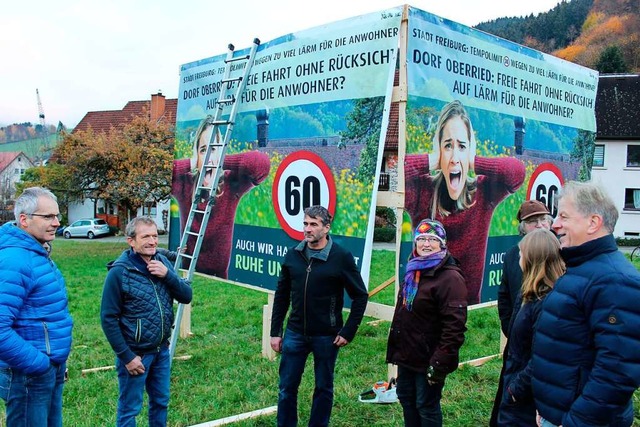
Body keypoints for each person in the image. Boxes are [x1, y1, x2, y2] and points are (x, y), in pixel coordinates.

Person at [531, 181, 640, 427]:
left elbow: (616, 372)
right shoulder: (582, 269)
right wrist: (547, 409)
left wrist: (574, 422)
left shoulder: (615, 281)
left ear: (593, 223)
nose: (555, 224)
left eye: (564, 216)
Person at [405, 100, 526, 304]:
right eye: (448, 146)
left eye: (461, 145)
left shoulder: (482, 193)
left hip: (464, 308)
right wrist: (435, 159)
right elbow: (392, 170)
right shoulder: (422, 191)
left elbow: (516, 173)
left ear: (470, 149)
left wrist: (472, 161)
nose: (454, 157)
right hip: (424, 304)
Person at [269, 205, 369, 427]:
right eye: (305, 223)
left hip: (327, 336)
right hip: (294, 333)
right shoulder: (293, 254)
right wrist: (275, 332)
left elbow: (360, 296)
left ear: (326, 227)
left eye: (313, 224)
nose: (307, 229)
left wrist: (348, 331)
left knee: (323, 388)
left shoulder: (341, 257)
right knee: (286, 388)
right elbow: (282, 295)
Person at [100, 216, 193, 427]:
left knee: (161, 402)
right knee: (129, 409)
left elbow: (186, 296)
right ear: (131, 241)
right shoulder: (119, 272)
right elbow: (108, 318)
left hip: (161, 350)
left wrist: (168, 275)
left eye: (154, 236)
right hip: (136, 355)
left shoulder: (162, 261)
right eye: (145, 237)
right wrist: (127, 357)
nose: (152, 241)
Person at [0, 187, 73, 427]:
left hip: (48, 368)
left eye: (57, 216)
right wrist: (39, 365)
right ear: (24, 220)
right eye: (48, 217)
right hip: (28, 374)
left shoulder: (36, 253)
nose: (56, 223)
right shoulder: (15, 260)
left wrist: (56, 361)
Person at [386, 219, 468, 427]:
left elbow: (455, 327)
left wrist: (439, 363)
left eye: (433, 239)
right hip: (408, 355)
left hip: (429, 357)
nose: (426, 244)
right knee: (406, 398)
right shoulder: (414, 270)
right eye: (421, 239)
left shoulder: (450, 278)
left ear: (442, 244)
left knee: (426, 405)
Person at [172, 115, 271, 278]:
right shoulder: (185, 184)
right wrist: (192, 163)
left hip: (220, 279)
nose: (209, 158)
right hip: (187, 274)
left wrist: (220, 160)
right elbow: (162, 173)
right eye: (203, 150)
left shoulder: (231, 183)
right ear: (196, 154)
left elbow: (262, 165)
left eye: (214, 148)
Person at [489, 199, 552, 426]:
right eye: (533, 221)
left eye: (544, 219)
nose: (540, 225)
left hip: (541, 352)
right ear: (522, 227)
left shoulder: (559, 253)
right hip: (516, 345)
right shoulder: (511, 256)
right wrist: (511, 328)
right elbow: (504, 297)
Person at [496, 228, 565, 426]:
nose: (518, 256)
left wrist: (515, 390)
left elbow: (541, 357)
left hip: (526, 397)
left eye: (521, 252)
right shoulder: (529, 293)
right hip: (516, 384)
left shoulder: (546, 302)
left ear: (532, 258)